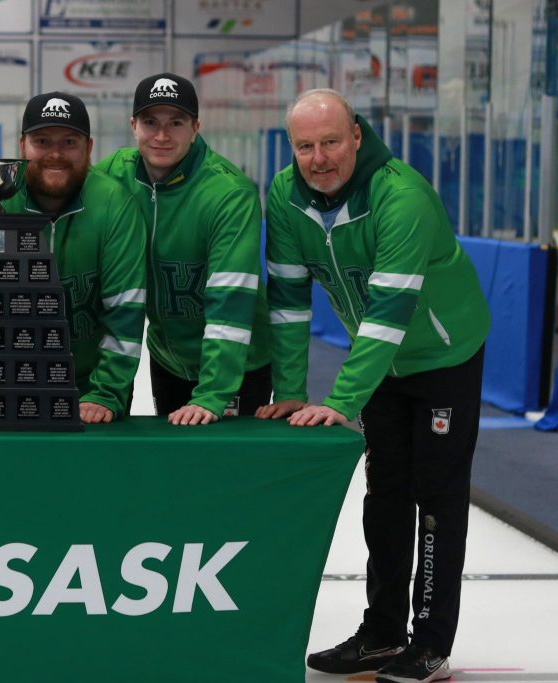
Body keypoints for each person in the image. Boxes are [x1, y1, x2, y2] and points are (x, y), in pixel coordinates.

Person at [256, 89, 490, 683]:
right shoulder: (284, 196)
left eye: (330, 141)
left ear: (356, 135)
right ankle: (382, 634)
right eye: (305, 146)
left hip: (442, 354)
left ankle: (431, 640)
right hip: (382, 362)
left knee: (435, 495)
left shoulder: (401, 196)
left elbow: (389, 312)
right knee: (384, 494)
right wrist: (290, 387)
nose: (319, 158)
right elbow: (286, 299)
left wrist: (338, 401)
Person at [97, 72, 272, 426]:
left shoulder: (228, 193)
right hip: (167, 359)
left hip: (239, 365)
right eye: (151, 122)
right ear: (133, 125)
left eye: (176, 123)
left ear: (196, 127)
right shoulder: (114, 174)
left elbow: (231, 301)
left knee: (226, 472)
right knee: (176, 470)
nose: (162, 135)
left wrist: (213, 393)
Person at [1, 91, 147, 423]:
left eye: (69, 142)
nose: (56, 154)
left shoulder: (114, 204)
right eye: (42, 141)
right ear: (22, 145)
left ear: (89, 148)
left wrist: (105, 392)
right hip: (7, 383)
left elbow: (126, 311)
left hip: (92, 387)